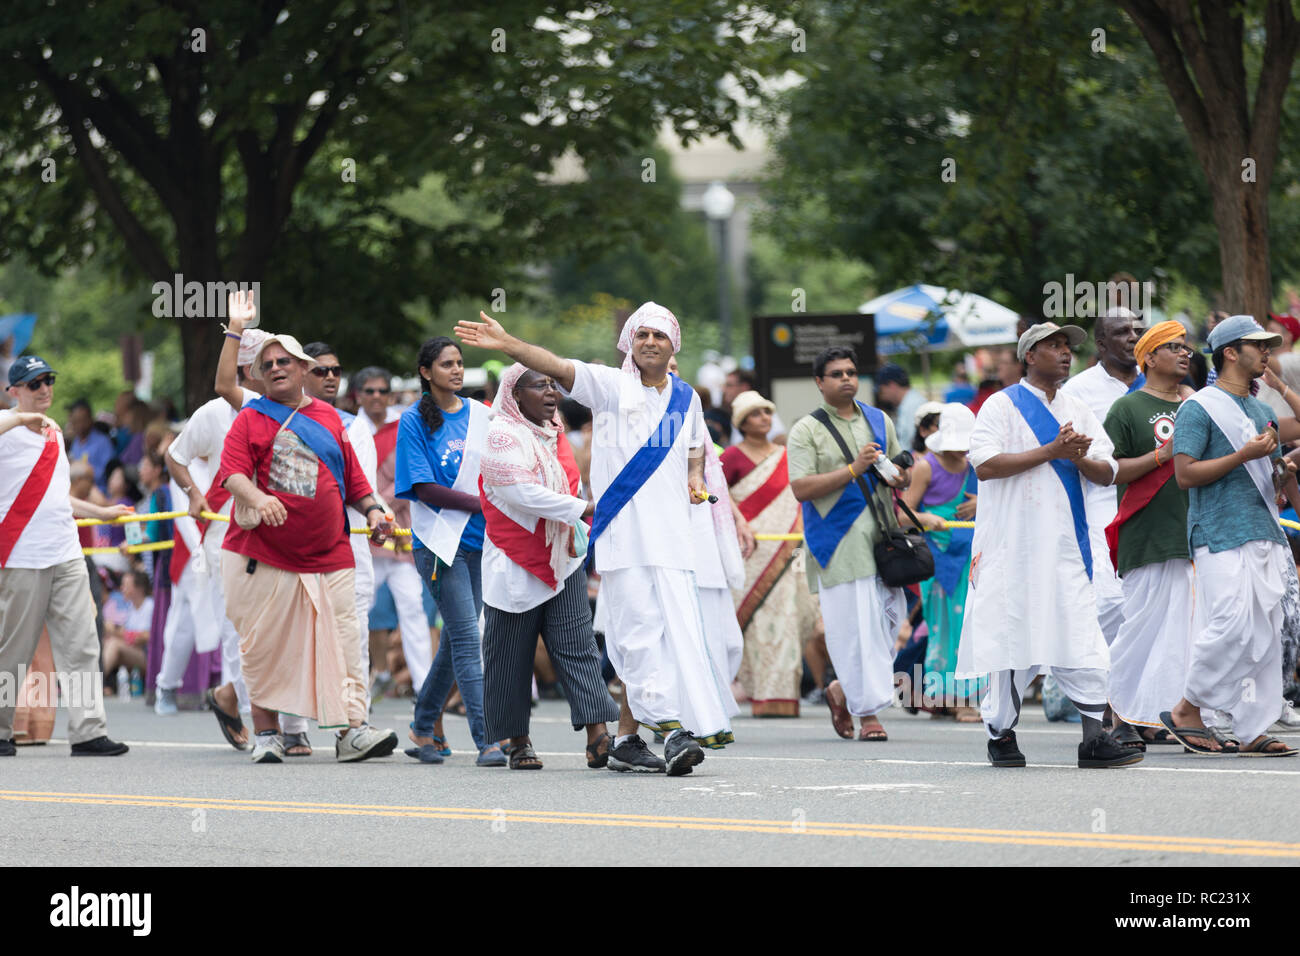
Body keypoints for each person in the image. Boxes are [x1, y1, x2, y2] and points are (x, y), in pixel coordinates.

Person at [455, 303, 734, 775]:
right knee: (639, 633)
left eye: (659, 336)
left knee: (672, 637)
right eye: (640, 334)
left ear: (673, 346)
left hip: (674, 542)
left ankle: (627, 739)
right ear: (628, 342)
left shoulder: (687, 399)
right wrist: (508, 344)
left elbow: (695, 446)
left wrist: (692, 478)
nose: (650, 342)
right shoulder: (611, 386)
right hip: (625, 541)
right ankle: (671, 731)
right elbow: (558, 366)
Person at [955, 323, 1142, 769]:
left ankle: (1094, 739)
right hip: (1012, 548)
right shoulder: (1000, 405)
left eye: (1067, 347)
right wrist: (1052, 450)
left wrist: (1076, 456)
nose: (1065, 353)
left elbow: (1106, 472)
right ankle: (1000, 733)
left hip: (1065, 547)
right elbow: (984, 465)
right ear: (1029, 355)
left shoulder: (1077, 406)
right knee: (1012, 640)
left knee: (1082, 635)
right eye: (1054, 346)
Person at [214, 332, 398, 764]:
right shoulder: (249, 418)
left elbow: (354, 480)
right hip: (264, 556)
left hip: (330, 553)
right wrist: (259, 499)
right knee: (265, 646)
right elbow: (232, 475)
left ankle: (352, 731)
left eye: (284, 362)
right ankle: (266, 732)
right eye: (268, 364)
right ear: (260, 375)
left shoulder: (332, 419)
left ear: (302, 370)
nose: (276, 368)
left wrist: (373, 511)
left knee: (345, 643)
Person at [1162, 315, 1297, 756]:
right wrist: (1243, 454)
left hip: (1263, 529)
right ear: (1230, 353)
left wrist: (1280, 473)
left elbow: (1271, 478)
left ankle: (1253, 725)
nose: (1267, 352)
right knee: (1232, 624)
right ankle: (1187, 708)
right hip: (1218, 531)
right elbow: (1184, 474)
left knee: (1266, 632)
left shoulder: (1261, 412)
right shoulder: (1198, 408)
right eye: (1258, 345)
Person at [478, 363, 620, 770]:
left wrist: (578, 507)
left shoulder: (554, 431)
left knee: (577, 646)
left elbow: (569, 482)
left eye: (553, 385)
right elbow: (521, 493)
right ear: (515, 394)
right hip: (513, 559)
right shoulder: (501, 433)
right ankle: (518, 741)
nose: (551, 392)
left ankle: (598, 736)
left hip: (562, 558)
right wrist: (585, 508)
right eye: (539, 385)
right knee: (510, 654)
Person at [0, 355, 131, 756]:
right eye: (34, 383)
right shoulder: (8, 427)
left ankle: (88, 730)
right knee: (13, 649)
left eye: (48, 381)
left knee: (82, 643)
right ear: (14, 391)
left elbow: (59, 499)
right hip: (21, 553)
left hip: (65, 549)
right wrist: (21, 419)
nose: (44, 389)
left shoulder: (55, 434)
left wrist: (103, 512)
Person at [787, 345, 909, 742]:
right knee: (854, 630)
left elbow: (899, 470)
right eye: (836, 373)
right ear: (819, 383)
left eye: (852, 372)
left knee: (890, 623)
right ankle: (869, 713)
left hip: (883, 538)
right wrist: (852, 469)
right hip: (838, 543)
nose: (846, 379)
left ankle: (843, 690)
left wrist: (898, 476)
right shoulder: (806, 430)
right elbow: (801, 488)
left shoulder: (879, 420)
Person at [396, 337, 505, 767]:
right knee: (466, 637)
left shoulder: (482, 415)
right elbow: (423, 489)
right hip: (439, 544)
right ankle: (488, 739)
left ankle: (423, 725)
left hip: (481, 541)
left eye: (460, 363)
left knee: (456, 639)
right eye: (446, 365)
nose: (457, 371)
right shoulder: (413, 421)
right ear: (427, 372)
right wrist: (482, 504)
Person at [165, 324, 270, 746]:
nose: (275, 368)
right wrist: (193, 492)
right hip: (223, 533)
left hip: (271, 532)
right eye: (267, 361)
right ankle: (252, 718)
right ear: (247, 366)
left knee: (268, 625)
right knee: (235, 626)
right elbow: (175, 456)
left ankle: (234, 698)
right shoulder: (212, 413)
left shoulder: (278, 408)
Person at [1102, 321, 1196, 748]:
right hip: (1146, 531)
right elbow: (1111, 471)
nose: (1184, 354)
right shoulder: (1127, 408)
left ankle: (1158, 715)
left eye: (1186, 347)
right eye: (1173, 347)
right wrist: (1164, 453)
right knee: (1140, 628)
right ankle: (1118, 713)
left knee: (1181, 632)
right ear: (1150, 357)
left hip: (1194, 532)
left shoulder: (1197, 405)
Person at [721, 390, 823, 717]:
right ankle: (764, 693)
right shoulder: (732, 458)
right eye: (755, 414)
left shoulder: (786, 455)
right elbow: (721, 501)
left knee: (793, 620)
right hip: (752, 554)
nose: (763, 418)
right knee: (759, 624)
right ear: (742, 422)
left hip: (790, 552)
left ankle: (785, 693)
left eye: (766, 412)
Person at [1060, 308, 1145, 648]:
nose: (1133, 337)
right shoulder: (1078, 390)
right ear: (1101, 344)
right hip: (1101, 504)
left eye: (1136, 330)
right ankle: (1092, 687)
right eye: (1123, 331)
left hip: (1154, 504)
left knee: (1146, 603)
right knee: (1109, 601)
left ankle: (1135, 696)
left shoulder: (1158, 381)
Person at [898, 403, 982, 720]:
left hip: (970, 559)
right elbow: (903, 516)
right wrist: (926, 518)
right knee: (943, 628)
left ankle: (960, 697)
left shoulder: (976, 466)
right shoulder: (926, 466)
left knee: (967, 627)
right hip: (937, 559)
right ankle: (948, 699)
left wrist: (980, 505)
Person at [356, 365, 431, 695]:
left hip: (398, 535)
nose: (376, 397)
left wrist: (378, 508)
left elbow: (410, 477)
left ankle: (425, 687)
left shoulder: (405, 426)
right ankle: (357, 686)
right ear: (357, 395)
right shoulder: (347, 427)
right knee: (359, 611)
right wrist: (371, 510)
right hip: (360, 534)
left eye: (382, 391)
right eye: (369, 391)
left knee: (413, 608)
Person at [102, 568, 153, 685]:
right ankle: (105, 685)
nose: (121, 589)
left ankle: (91, 684)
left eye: (125, 585)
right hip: (136, 653)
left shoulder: (149, 606)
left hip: (148, 657)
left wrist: (115, 631)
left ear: (138, 589)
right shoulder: (131, 607)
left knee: (114, 644)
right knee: (106, 642)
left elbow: (145, 637)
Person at [724, 368, 787, 445]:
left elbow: (780, 439)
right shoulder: (734, 411)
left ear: (744, 387)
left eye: (729, 385)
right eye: (756, 414)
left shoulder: (761, 406)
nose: (724, 389)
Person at [873, 363, 926, 451]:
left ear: (892, 385)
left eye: (881, 390)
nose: (881, 396)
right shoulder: (908, 402)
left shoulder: (912, 406)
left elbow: (913, 445)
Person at [66, 398, 116, 491]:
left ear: (90, 419)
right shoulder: (76, 442)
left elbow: (107, 472)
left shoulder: (103, 441)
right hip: (78, 490)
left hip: (98, 491)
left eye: (81, 420)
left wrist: (83, 471)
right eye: (75, 421)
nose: (78, 425)